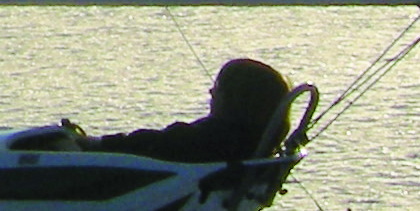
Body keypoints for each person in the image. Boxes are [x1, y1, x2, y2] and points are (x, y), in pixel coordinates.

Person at [82, 56, 293, 164]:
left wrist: (94, 145)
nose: (211, 92)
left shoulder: (214, 139)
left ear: (236, 99)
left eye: (218, 87)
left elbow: (161, 143)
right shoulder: (255, 142)